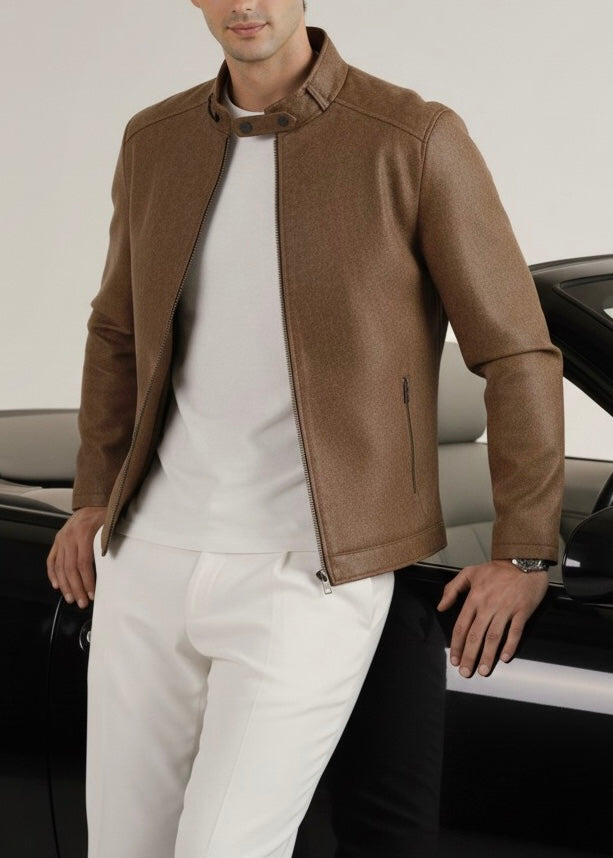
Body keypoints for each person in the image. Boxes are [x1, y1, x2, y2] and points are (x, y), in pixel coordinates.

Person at [46, 3, 565, 857]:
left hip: (307, 574)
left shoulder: (411, 138)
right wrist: (96, 493)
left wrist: (524, 551)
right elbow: (117, 331)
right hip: (147, 561)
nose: (244, 4)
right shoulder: (155, 140)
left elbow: (515, 352)